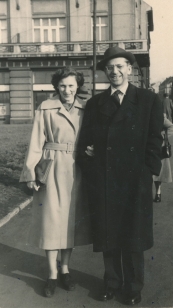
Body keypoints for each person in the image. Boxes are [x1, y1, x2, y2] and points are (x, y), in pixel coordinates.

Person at [77, 46, 163, 305]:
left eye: (119, 66)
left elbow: (154, 142)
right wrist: (89, 158)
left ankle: (134, 287)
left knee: (133, 236)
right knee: (109, 235)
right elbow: (85, 143)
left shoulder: (148, 100)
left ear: (129, 68)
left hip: (135, 180)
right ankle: (111, 282)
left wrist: (147, 173)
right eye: (109, 68)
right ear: (105, 72)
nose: (114, 72)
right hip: (105, 180)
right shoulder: (95, 104)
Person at [20, 68, 91, 298]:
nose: (67, 90)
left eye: (71, 85)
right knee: (51, 221)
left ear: (78, 86)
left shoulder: (86, 108)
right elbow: (36, 142)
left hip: (76, 168)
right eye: (62, 86)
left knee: (69, 221)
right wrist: (31, 172)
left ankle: (65, 269)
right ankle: (51, 274)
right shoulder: (46, 107)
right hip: (50, 168)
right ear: (56, 87)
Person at [153, 114, 173, 202]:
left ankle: (158, 192)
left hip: (159, 147)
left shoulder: (160, 116)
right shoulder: (142, 114)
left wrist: (161, 135)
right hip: (146, 147)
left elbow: (172, 128)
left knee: (159, 171)